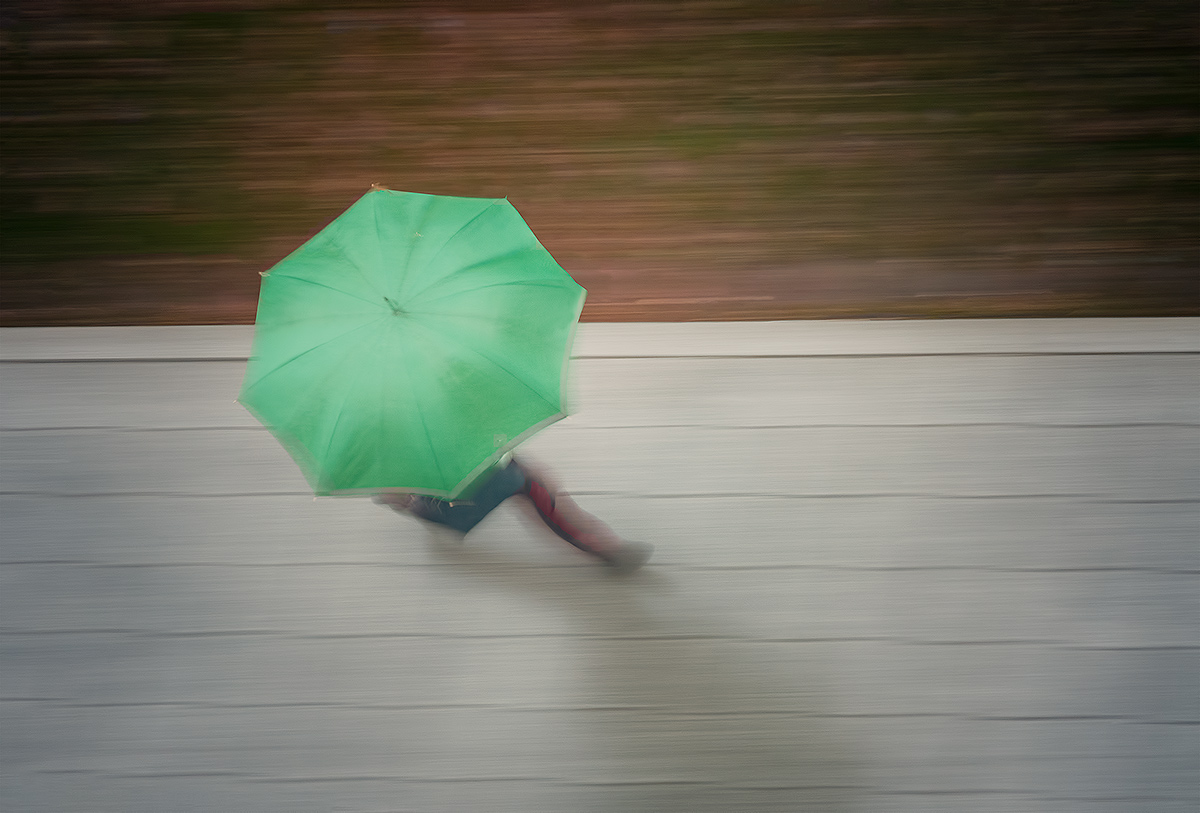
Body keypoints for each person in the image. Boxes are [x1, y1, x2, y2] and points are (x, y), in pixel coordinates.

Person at [374, 455, 652, 573]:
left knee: (524, 476)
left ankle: (602, 544)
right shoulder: (399, 433)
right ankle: (604, 547)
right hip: (449, 503)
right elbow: (392, 494)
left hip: (447, 492)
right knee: (525, 481)